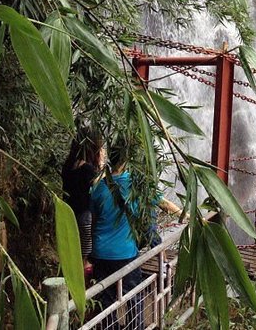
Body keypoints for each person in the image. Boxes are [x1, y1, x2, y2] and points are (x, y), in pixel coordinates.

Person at [90, 138, 183, 329]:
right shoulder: (136, 185)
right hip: (125, 253)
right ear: (127, 161)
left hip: (100, 253)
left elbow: (93, 216)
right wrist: (187, 215)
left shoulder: (98, 187)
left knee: (106, 302)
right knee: (134, 297)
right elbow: (164, 203)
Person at [61, 127, 103, 283]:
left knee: (74, 255)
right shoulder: (88, 170)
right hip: (85, 218)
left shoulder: (68, 166)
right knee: (84, 259)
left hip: (69, 216)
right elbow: (101, 189)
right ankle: (83, 293)